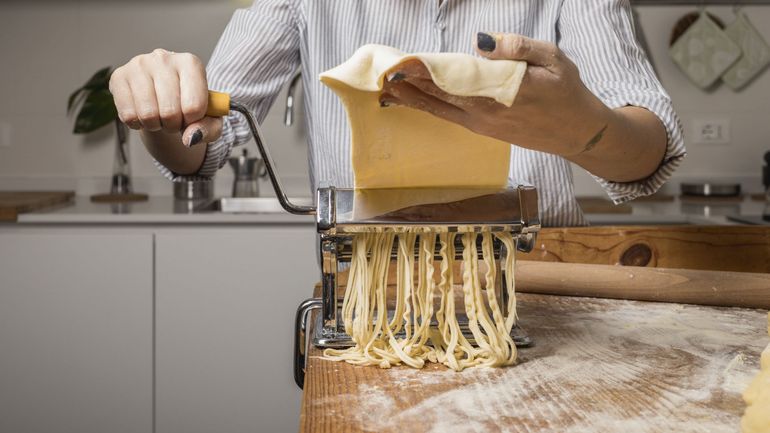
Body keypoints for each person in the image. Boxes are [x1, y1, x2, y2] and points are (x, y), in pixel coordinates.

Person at [108, 0, 685, 226]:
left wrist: (583, 130)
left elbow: (647, 153)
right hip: (370, 299)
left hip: (547, 290)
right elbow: (199, 147)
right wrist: (164, 115)